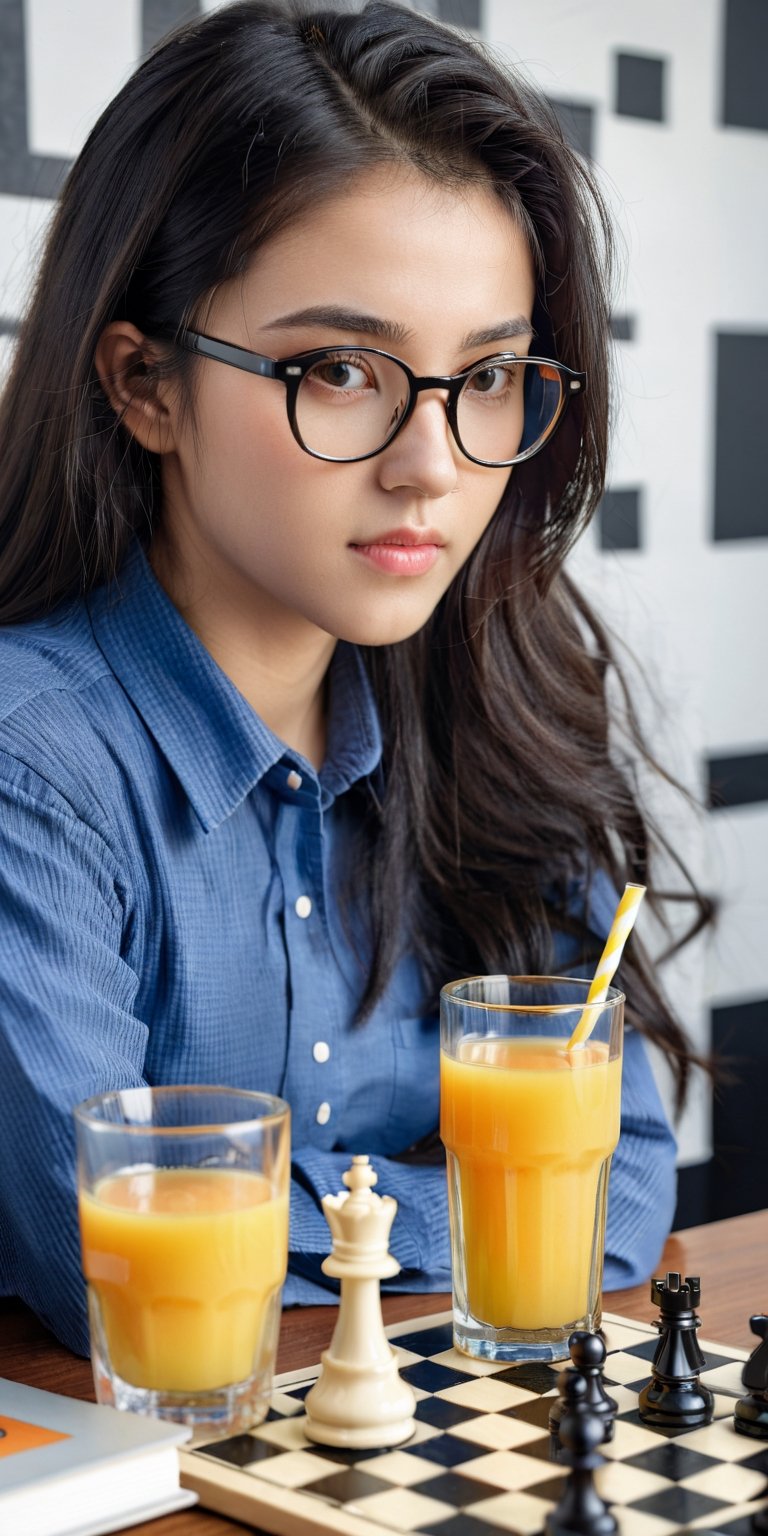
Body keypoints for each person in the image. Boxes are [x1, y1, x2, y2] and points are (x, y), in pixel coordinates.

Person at [0, 0, 707, 1357]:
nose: (432, 466)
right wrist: (465, 1218)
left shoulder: (501, 701)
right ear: (146, 385)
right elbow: (106, 1256)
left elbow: (618, 1187)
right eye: (339, 369)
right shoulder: (35, 768)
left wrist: (289, 1223)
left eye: (488, 375)